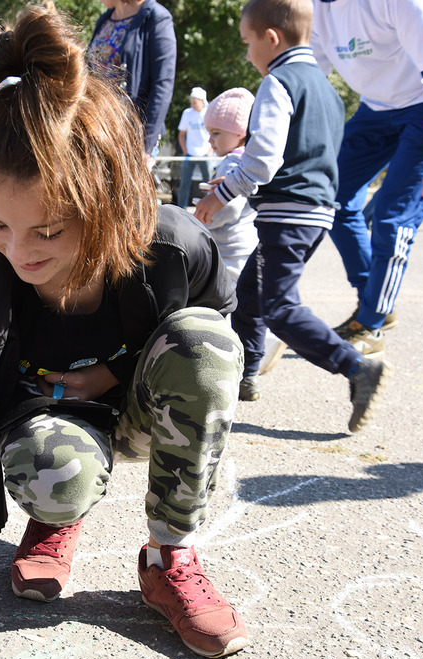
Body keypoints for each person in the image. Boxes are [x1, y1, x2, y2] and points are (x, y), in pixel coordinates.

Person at [0, 8, 245, 659]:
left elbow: (212, 334)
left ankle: (166, 557)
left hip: (133, 409)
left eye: (48, 230)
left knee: (206, 347)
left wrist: (119, 374)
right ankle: (58, 515)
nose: (20, 253)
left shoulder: (172, 247)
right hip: (45, 422)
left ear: (110, 204)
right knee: (53, 471)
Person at [195, 0, 386, 426]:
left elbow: (263, 161)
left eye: (247, 43)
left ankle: (356, 367)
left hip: (288, 213)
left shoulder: (279, 82)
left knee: (279, 307)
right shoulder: (327, 89)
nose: (247, 54)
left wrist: (219, 195)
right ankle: (243, 376)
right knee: (250, 294)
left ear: (271, 38)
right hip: (315, 210)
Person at [311, 0, 423, 352]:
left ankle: (370, 325)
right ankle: (373, 300)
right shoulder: (318, 8)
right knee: (330, 198)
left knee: (393, 217)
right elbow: (307, 81)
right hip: (379, 104)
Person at [87, 0, 176, 158]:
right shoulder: (105, 19)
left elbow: (163, 84)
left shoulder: (157, 18)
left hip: (132, 134)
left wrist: (146, 145)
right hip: (98, 130)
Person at [199, 87, 257, 281]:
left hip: (230, 248)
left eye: (216, 133)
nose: (210, 139)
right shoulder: (248, 162)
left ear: (241, 133)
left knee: (227, 298)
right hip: (245, 243)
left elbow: (230, 208)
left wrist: (203, 218)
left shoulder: (232, 162)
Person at [175, 87, 212, 211]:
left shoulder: (209, 113)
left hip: (205, 153)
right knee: (185, 182)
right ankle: (181, 209)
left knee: (209, 183)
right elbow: (181, 134)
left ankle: (209, 207)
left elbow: (214, 133)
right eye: (191, 102)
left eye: (195, 102)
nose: (192, 105)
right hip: (190, 153)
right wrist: (185, 151)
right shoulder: (187, 113)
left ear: (202, 100)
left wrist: (209, 151)